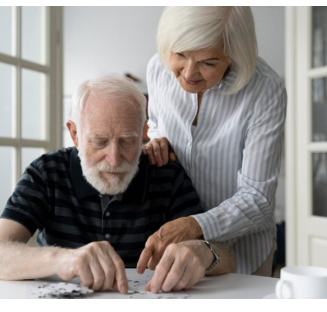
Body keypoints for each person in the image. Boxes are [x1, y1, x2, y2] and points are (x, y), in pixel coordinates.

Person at [0, 74, 236, 294]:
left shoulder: (167, 175)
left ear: (145, 131)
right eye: (99, 142)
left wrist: (204, 253)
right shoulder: (46, 172)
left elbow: (227, 257)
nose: (114, 159)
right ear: (74, 134)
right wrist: (64, 258)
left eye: (127, 141)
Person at [139, 6, 287, 276]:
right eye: (180, 54)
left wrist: (194, 225)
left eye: (209, 63)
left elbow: (258, 197)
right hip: (176, 248)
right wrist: (158, 139)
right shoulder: (157, 70)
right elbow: (157, 121)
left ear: (234, 54)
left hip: (244, 250)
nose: (189, 73)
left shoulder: (266, 91)